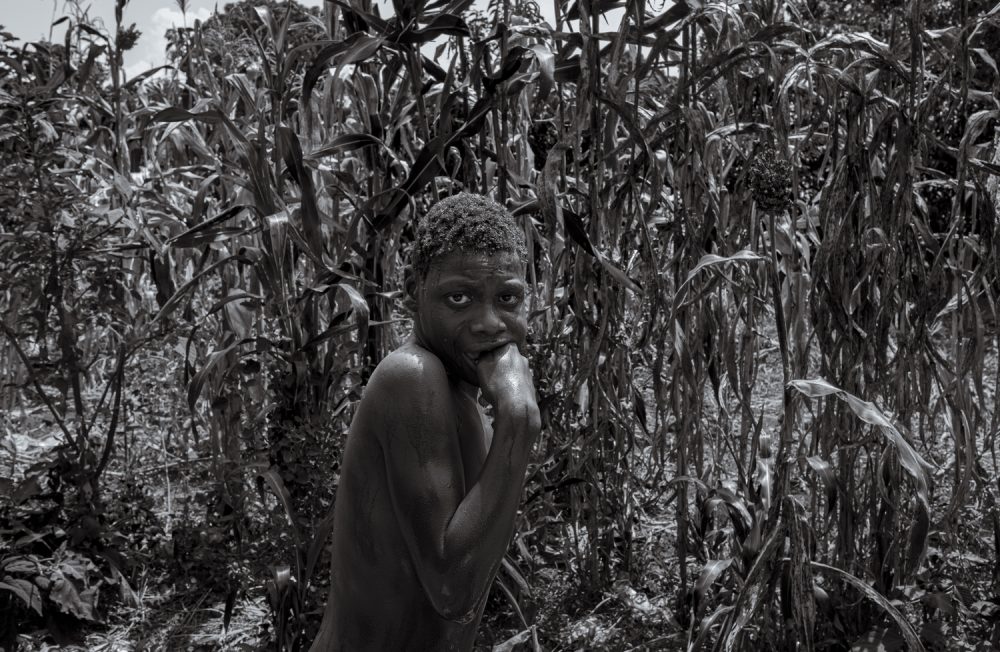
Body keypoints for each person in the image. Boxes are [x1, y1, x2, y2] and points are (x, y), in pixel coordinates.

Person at [310, 193, 542, 651]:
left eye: (508, 298)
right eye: (459, 298)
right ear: (413, 292)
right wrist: (518, 420)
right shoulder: (413, 377)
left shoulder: (468, 402)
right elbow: (453, 590)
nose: (489, 322)